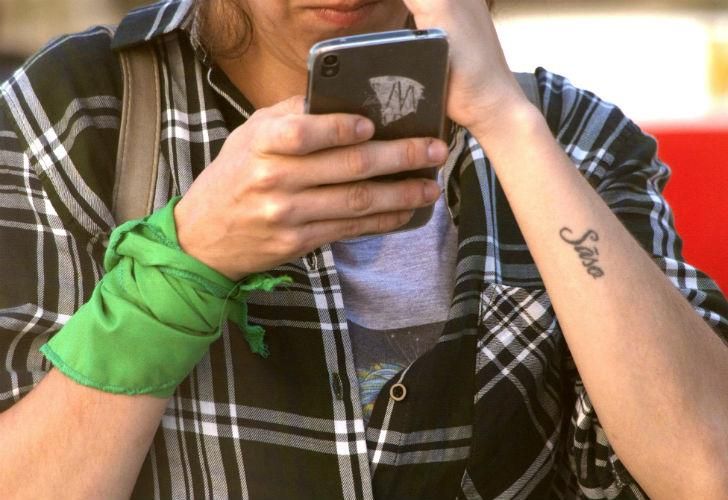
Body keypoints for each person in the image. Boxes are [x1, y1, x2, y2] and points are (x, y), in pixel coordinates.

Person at [0, 0, 726, 498]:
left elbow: (708, 469)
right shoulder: (78, 112)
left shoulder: (568, 136)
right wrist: (184, 264)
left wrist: (505, 120)